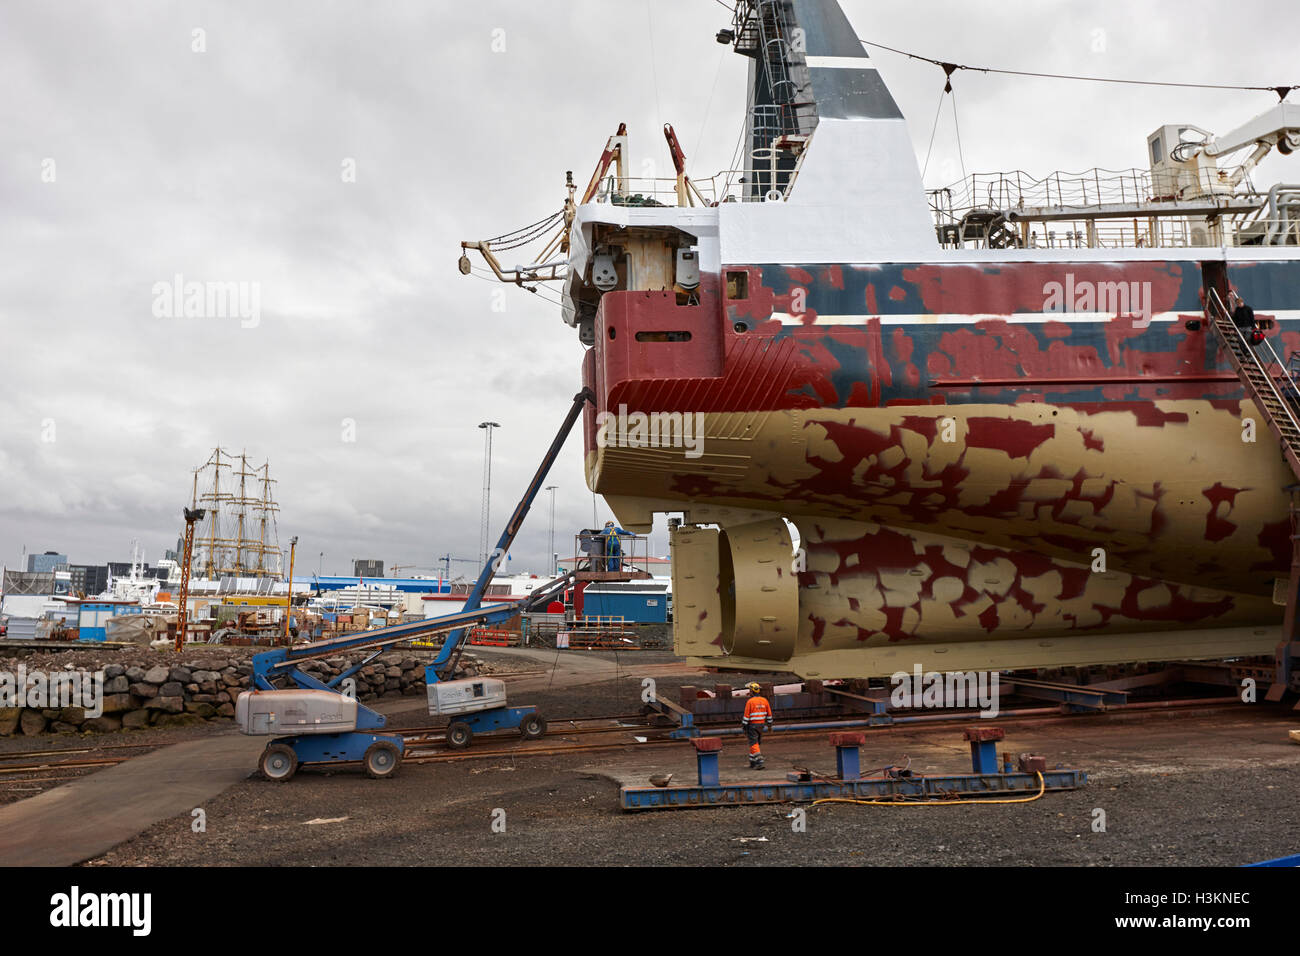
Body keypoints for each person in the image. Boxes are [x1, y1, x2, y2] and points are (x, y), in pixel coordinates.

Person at [741, 682, 773, 770]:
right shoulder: (764, 700)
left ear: (751, 691)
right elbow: (769, 714)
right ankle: (752, 762)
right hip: (761, 726)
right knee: (755, 744)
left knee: (753, 743)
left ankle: (759, 761)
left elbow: (746, 716)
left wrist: (744, 726)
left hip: (752, 726)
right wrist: (769, 725)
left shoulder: (750, 702)